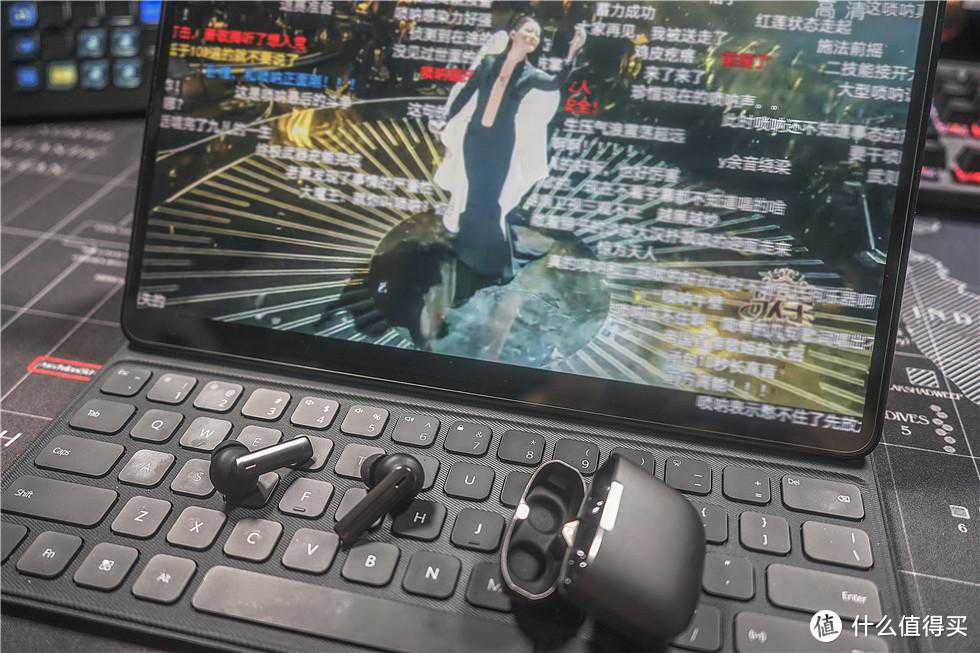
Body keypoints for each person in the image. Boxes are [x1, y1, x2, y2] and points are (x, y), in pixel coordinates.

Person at [430, 16, 587, 301]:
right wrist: (446, 119)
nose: (533, 36)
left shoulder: (530, 74)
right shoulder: (489, 62)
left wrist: (572, 52)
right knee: (474, 196)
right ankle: (468, 251)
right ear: (514, 33)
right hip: (475, 140)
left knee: (490, 200)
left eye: (537, 34)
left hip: (501, 145)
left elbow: (556, 82)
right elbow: (466, 93)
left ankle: (489, 260)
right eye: (529, 30)